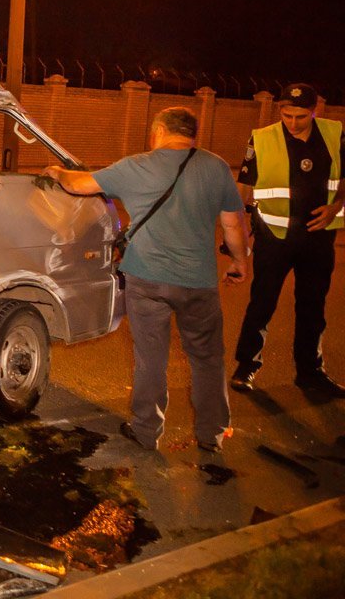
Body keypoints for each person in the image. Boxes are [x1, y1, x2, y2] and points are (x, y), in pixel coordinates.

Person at [43, 107, 250, 453]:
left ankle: (145, 431)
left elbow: (80, 184)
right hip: (198, 282)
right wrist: (240, 262)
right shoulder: (216, 167)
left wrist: (57, 171)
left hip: (147, 281)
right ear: (192, 135)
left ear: (158, 132)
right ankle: (212, 433)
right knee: (207, 358)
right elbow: (233, 226)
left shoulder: (136, 165)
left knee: (150, 358)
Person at [229, 83, 344, 398]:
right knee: (262, 303)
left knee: (313, 307)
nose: (293, 123)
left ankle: (310, 373)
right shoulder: (262, 138)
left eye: (301, 116)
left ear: (314, 110)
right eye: (287, 114)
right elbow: (244, 189)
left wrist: (336, 206)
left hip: (318, 238)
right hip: (274, 237)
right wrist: (236, 234)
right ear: (279, 108)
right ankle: (246, 366)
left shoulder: (335, 135)